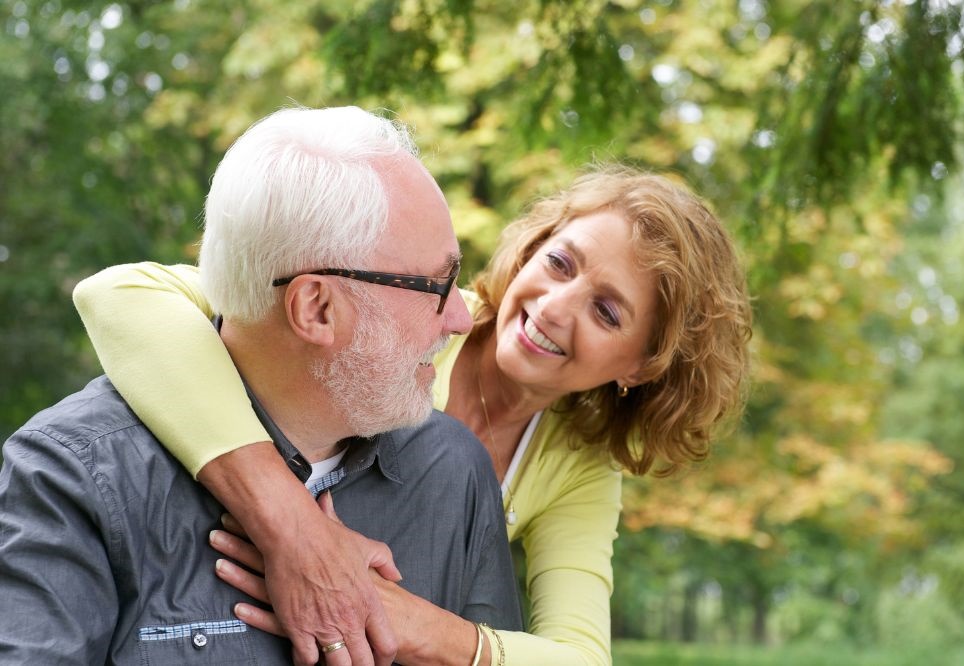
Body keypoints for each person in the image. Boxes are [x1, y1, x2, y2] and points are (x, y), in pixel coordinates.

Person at [73, 165, 754, 665]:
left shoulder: (577, 464)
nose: (553, 305)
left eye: (607, 311)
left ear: (641, 365)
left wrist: (408, 622)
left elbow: (579, 657)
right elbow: (118, 294)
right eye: (560, 262)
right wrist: (289, 526)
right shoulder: (404, 314)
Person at [0, 106, 523, 665]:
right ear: (317, 307)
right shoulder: (72, 478)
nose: (460, 321)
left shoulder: (453, 469)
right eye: (436, 286)